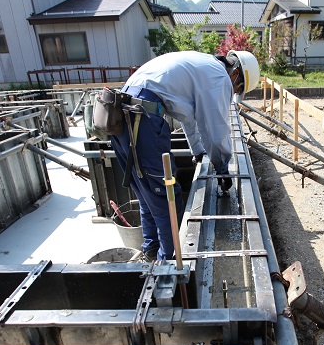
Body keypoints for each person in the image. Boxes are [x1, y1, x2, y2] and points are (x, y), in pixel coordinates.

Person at [109, 50, 260, 261]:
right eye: (238, 88)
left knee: (146, 194)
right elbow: (215, 130)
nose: (232, 91)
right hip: (141, 119)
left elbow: (188, 117)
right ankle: (167, 264)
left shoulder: (202, 66)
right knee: (164, 195)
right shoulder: (218, 77)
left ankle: (151, 251)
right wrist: (223, 168)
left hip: (119, 114)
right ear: (235, 75)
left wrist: (197, 151)